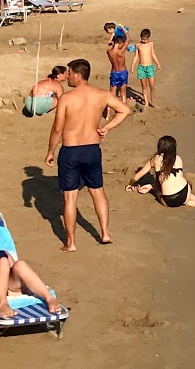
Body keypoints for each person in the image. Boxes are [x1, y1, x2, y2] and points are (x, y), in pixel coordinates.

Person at [45, 59, 133, 251]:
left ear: (77, 74)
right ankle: (105, 233)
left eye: (69, 73)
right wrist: (106, 127)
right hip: (92, 149)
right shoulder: (102, 94)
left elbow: (57, 128)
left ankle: (71, 243)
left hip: (71, 150)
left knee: (70, 197)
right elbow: (125, 110)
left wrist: (50, 151)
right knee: (97, 191)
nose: (67, 76)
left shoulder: (67, 98)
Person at [125, 135, 195, 209]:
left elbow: (137, 176)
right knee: (181, 183)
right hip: (185, 194)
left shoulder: (155, 159)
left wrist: (131, 184)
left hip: (168, 201)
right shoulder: (178, 158)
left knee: (159, 191)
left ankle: (188, 203)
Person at [133, 28, 160, 108]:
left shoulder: (151, 44)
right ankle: (146, 102)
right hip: (141, 68)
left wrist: (158, 63)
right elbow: (136, 56)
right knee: (144, 86)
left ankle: (153, 102)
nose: (144, 41)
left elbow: (153, 54)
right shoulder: (138, 45)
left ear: (149, 38)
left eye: (146, 39)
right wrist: (132, 66)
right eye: (143, 39)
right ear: (140, 37)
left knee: (152, 86)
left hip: (150, 67)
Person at [106, 32, 130, 102]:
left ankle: (108, 113)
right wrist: (123, 30)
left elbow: (108, 44)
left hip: (114, 73)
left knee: (112, 94)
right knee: (123, 93)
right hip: (123, 72)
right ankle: (124, 110)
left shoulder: (109, 52)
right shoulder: (121, 51)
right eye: (122, 43)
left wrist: (112, 38)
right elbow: (128, 39)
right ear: (119, 43)